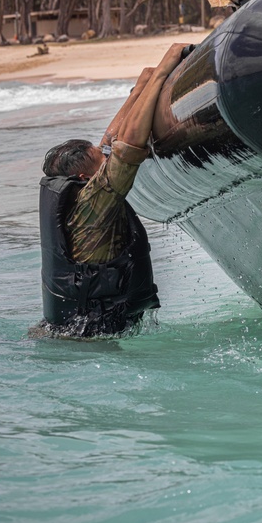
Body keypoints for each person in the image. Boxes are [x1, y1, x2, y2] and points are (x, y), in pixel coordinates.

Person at [33, 43, 188, 338]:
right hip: (87, 335)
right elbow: (127, 147)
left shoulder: (77, 189)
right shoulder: (93, 203)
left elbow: (108, 143)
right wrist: (162, 72)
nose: (107, 157)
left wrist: (140, 86)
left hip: (65, 330)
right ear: (83, 177)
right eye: (101, 160)